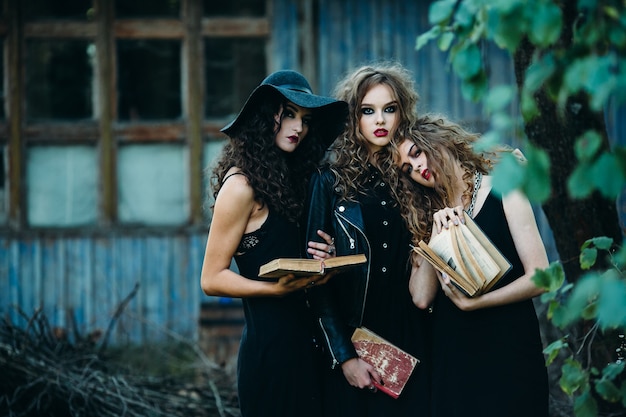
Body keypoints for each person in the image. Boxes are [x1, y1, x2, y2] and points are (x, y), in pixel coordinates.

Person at [200, 70, 348, 417]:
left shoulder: (300, 182)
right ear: (266, 117)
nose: (298, 127)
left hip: (313, 346)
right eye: (290, 114)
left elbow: (302, 257)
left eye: (306, 119)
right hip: (271, 352)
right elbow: (211, 278)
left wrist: (327, 258)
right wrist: (275, 291)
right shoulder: (240, 187)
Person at [397, 114, 550, 417]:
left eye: (416, 153)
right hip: (454, 356)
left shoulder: (501, 188)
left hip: (510, 348)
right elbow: (421, 297)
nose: (416, 168)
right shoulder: (429, 215)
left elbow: (542, 277)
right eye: (407, 169)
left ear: (436, 139)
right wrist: (434, 232)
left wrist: (477, 303)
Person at [305, 62, 431, 416]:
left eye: (389, 109)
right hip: (359, 340)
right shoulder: (329, 181)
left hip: (418, 334)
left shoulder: (415, 174)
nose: (380, 120)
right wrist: (344, 357)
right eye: (368, 111)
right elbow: (315, 283)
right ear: (353, 118)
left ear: (402, 113)